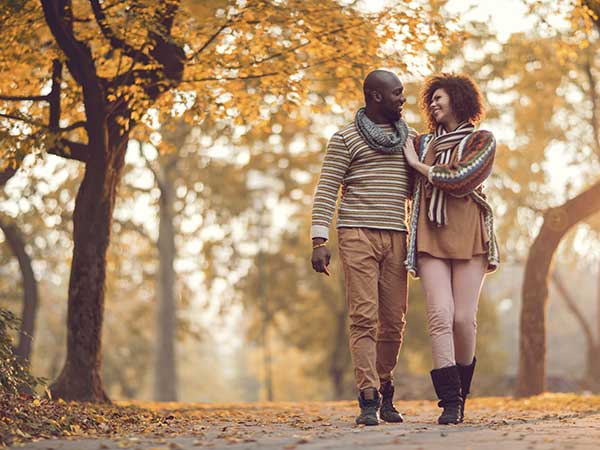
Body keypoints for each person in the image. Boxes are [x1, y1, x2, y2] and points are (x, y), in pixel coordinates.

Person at [311, 69, 417, 426]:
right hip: (356, 234)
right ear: (375, 96)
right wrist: (319, 239)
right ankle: (368, 397)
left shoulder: (410, 139)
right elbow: (327, 188)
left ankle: (386, 385)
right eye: (397, 93)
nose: (403, 99)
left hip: (398, 236)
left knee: (394, 322)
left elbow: (421, 189)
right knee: (363, 317)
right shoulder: (345, 138)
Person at [403, 73, 499, 424]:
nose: (433, 104)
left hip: (470, 235)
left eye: (439, 98)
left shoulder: (482, 141)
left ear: (458, 100)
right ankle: (450, 402)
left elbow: (461, 179)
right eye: (431, 100)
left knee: (463, 319)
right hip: (430, 235)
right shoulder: (422, 141)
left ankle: (463, 391)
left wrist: (419, 166)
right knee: (440, 316)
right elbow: (393, 142)